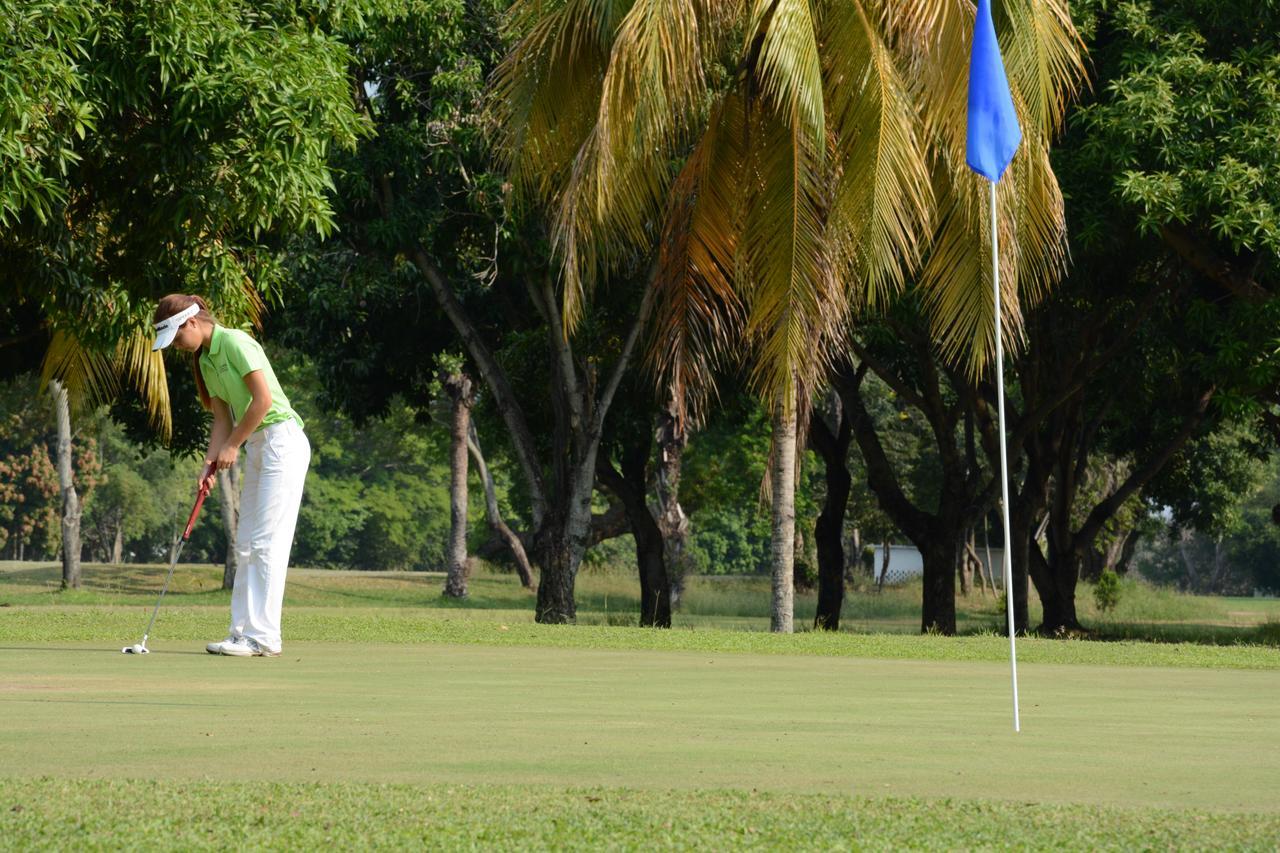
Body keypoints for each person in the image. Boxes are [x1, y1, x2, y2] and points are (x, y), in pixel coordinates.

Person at [152, 294, 311, 657]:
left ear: (192, 322)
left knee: (267, 543)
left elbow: (263, 401)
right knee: (245, 544)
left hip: (280, 442)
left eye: (177, 338)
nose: (177, 347)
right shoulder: (206, 360)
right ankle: (241, 632)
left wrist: (233, 446)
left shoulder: (236, 341)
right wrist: (209, 465)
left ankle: (265, 637)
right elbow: (222, 420)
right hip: (256, 445)